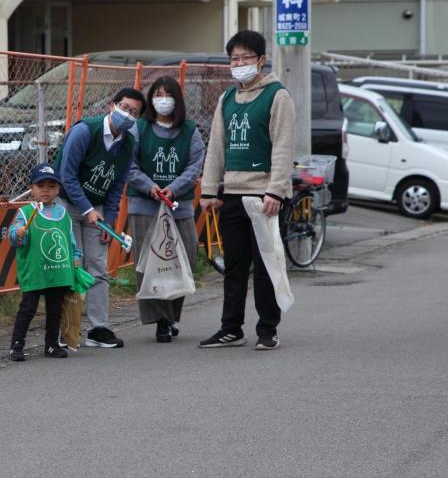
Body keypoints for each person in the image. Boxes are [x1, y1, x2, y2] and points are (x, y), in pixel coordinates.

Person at [198, 30, 295, 351]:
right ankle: (231, 328)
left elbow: (283, 147)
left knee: (266, 264)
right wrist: (210, 190)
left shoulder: (277, 96)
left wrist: (276, 191)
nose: (239, 64)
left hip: (264, 197)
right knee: (234, 265)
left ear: (261, 61)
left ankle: (268, 329)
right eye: (234, 59)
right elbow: (216, 148)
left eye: (245, 58)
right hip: (232, 195)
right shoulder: (227, 99)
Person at [55, 87, 145, 348]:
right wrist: (86, 209)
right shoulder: (85, 131)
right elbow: (66, 174)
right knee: (73, 266)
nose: (128, 115)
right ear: (112, 106)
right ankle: (66, 331)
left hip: (98, 210)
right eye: (125, 108)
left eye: (134, 113)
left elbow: (118, 185)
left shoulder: (128, 143)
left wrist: (111, 219)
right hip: (70, 205)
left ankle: (98, 329)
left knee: (98, 268)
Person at [127, 76, 204, 342]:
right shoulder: (139, 128)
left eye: (167, 93)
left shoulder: (190, 130)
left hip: (178, 204)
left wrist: (174, 187)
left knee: (184, 257)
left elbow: (195, 165)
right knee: (149, 262)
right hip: (144, 204)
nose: (162, 99)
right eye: (157, 93)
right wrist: (150, 187)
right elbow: (129, 163)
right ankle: (160, 320)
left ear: (177, 98)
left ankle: (171, 314)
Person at [8, 163, 83, 361]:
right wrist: (19, 234)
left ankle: (51, 344)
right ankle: (17, 345)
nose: (46, 190)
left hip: (58, 270)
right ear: (32, 188)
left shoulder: (63, 214)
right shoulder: (26, 212)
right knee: (28, 308)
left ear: (58, 189)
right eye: (41, 186)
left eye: (51, 186)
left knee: (55, 309)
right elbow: (14, 237)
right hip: (35, 270)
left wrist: (76, 256)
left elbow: (70, 240)